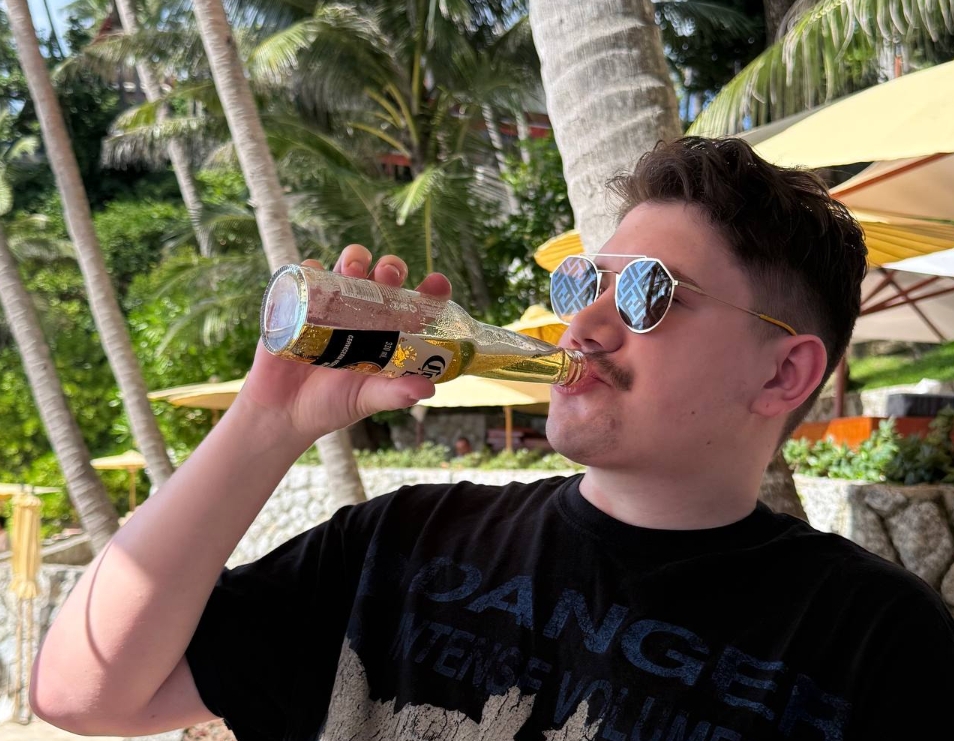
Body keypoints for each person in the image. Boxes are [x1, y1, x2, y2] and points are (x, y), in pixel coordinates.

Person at [31, 138, 954, 741]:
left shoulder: (880, 641)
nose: (583, 323)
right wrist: (267, 422)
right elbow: (81, 694)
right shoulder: (401, 544)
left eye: (648, 294)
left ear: (784, 375)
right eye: (585, 283)